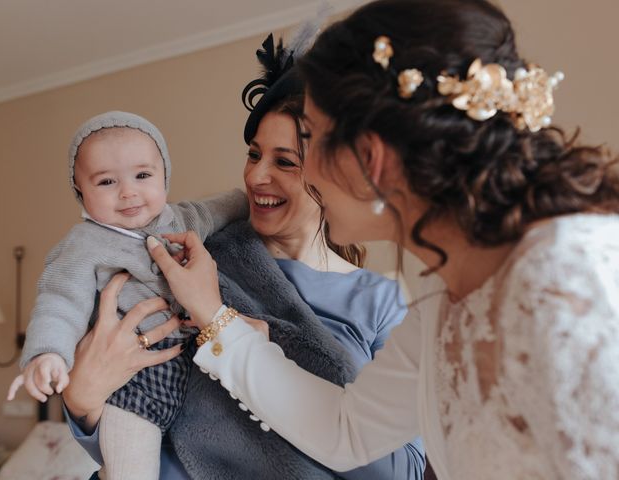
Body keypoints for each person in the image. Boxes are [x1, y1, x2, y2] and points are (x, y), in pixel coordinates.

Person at [143, 1, 619, 479]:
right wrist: (215, 317)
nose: (303, 171)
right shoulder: (440, 308)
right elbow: (345, 431)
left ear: (369, 156)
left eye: (311, 141)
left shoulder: (569, 278)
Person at [63, 33, 426, 480]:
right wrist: (80, 402)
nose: (256, 175)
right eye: (254, 153)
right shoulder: (189, 257)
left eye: (285, 162)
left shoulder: (380, 301)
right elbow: (129, 419)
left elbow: (401, 471)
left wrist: (240, 336)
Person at [8, 111, 248, 480]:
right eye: (106, 181)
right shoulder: (83, 244)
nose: (128, 191)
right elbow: (59, 302)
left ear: (164, 176)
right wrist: (48, 353)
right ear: (80, 191)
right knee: (130, 469)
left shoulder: (185, 219)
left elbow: (229, 204)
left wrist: (257, 200)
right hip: (129, 381)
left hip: (197, 365)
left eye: (142, 175)